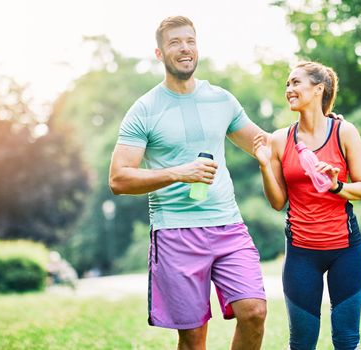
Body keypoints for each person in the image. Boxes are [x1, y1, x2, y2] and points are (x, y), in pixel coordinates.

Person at [109, 16, 267, 350]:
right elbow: (119, 178)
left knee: (253, 311)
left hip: (229, 227)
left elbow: (262, 143)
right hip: (175, 232)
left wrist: (317, 126)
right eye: (175, 43)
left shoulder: (221, 99)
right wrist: (179, 173)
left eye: (190, 41)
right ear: (159, 53)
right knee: (194, 338)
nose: (185, 49)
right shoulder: (145, 110)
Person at [253, 61, 361, 350]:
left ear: (318, 89)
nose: (289, 89)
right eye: (287, 84)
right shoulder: (280, 139)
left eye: (296, 83)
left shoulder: (344, 132)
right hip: (301, 255)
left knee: (346, 340)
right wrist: (265, 166)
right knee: (302, 343)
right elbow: (278, 202)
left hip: (347, 252)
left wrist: (337, 186)